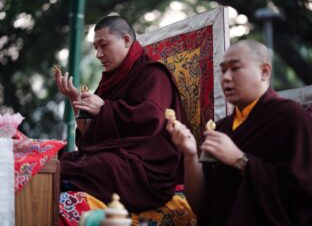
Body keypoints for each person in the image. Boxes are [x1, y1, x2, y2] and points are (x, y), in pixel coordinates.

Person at [166, 40, 312, 225]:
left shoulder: (292, 118)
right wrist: (190, 155)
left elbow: (302, 192)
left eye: (235, 68)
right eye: (223, 70)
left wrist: (240, 160)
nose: (226, 77)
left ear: (264, 71)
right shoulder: (220, 128)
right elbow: (201, 206)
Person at [54, 15, 189, 212]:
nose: (99, 54)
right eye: (95, 48)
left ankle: (66, 187)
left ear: (126, 40)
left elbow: (151, 119)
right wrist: (75, 100)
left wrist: (104, 108)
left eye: (104, 45)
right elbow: (90, 135)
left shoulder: (153, 74)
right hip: (118, 156)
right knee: (64, 160)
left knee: (102, 165)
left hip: (147, 169)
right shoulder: (112, 79)